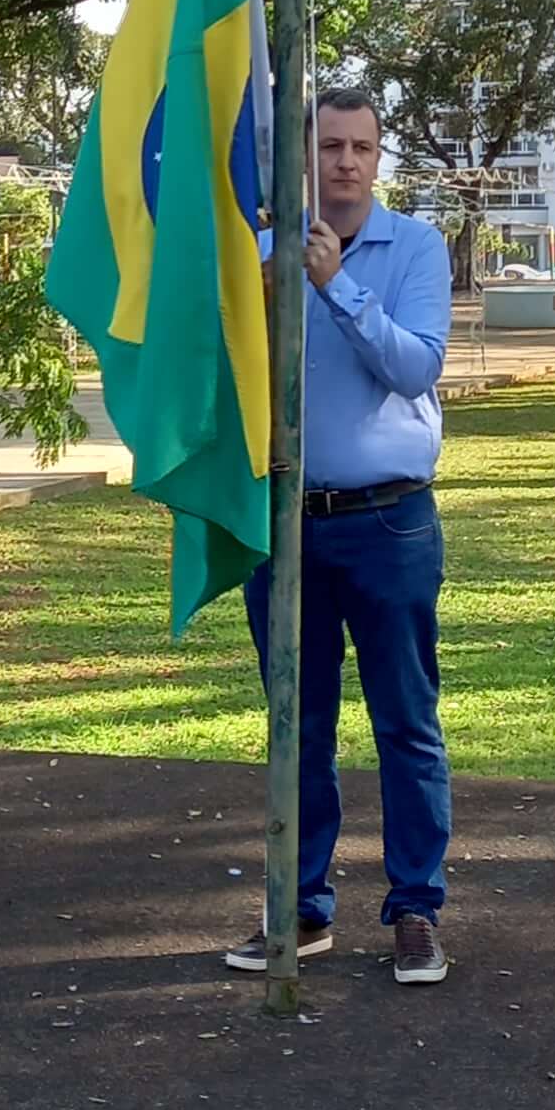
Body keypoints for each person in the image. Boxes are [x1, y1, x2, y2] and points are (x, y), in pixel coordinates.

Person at [225, 86, 458, 987]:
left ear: (379, 157)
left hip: (389, 522)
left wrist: (337, 285)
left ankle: (414, 909)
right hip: (285, 525)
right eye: (329, 146)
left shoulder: (417, 248)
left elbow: (416, 365)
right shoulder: (262, 253)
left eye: (361, 146)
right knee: (298, 723)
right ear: (305, 157)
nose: (346, 162)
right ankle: (301, 905)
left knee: (405, 721)